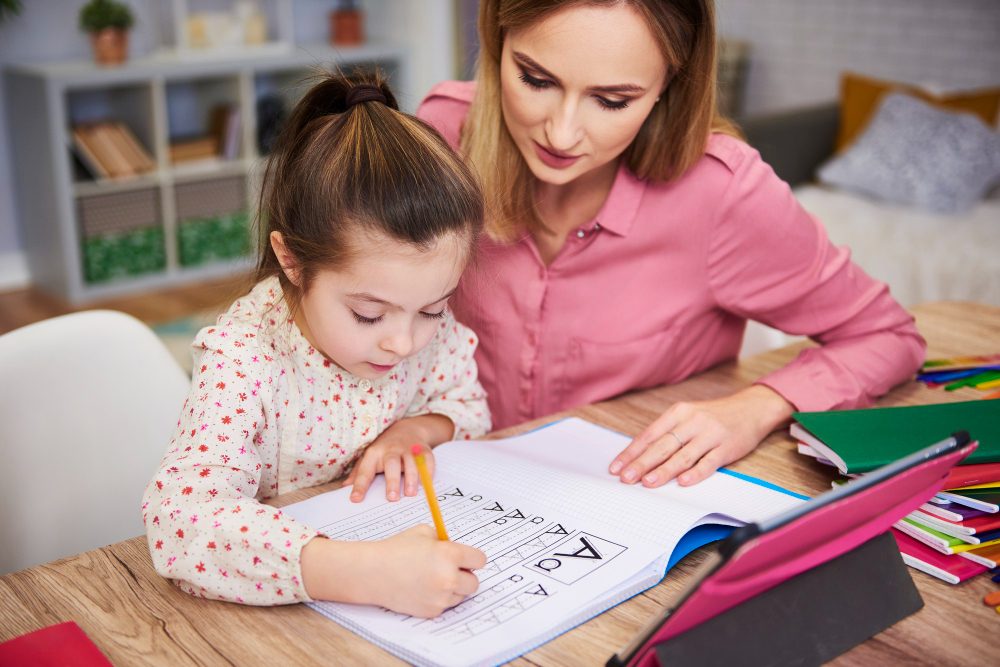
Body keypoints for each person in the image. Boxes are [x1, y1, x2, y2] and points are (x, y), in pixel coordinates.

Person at [418, 0, 924, 489]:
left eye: (613, 100)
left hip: (629, 497)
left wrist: (757, 407)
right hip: (448, 478)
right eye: (536, 79)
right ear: (496, 38)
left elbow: (888, 337)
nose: (562, 132)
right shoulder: (440, 136)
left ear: (669, 84)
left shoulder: (724, 193)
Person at [142, 71, 490, 615]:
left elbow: (468, 407)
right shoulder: (245, 356)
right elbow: (180, 519)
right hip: (267, 608)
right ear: (293, 261)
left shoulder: (425, 333)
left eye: (432, 309)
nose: (403, 342)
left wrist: (418, 429)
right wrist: (366, 573)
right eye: (368, 314)